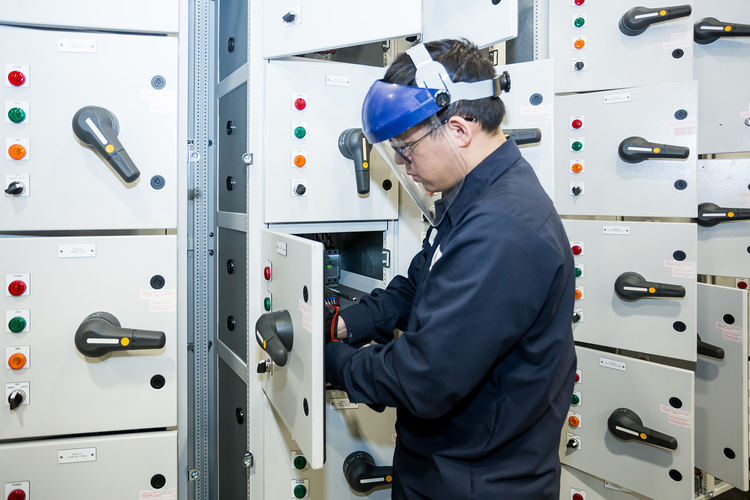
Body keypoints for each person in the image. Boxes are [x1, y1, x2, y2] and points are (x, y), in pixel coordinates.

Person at [325, 39, 577, 500]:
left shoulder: (503, 228)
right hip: (445, 469)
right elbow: (419, 284)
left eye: (406, 148)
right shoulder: (475, 198)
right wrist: (349, 323)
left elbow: (422, 377)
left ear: (458, 129)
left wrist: (332, 362)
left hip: (478, 483)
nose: (404, 164)